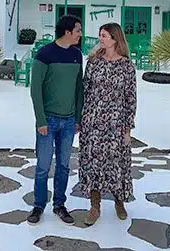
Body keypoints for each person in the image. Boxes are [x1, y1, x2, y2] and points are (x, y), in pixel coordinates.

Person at [26, 14, 84, 225]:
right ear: (67, 32)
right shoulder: (44, 54)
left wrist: (78, 117)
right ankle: (38, 205)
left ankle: (59, 204)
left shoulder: (77, 55)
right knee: (43, 165)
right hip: (47, 121)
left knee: (63, 166)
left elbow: (79, 88)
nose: (80, 34)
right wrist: (40, 120)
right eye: (78, 30)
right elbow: (35, 91)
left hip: (69, 122)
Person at [78, 22, 137, 226]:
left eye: (104, 35)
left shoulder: (127, 66)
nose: (100, 39)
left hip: (116, 123)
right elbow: (84, 91)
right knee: (93, 164)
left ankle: (119, 202)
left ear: (114, 39)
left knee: (117, 165)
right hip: (93, 122)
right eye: (100, 35)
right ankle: (95, 206)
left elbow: (131, 98)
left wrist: (128, 129)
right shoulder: (93, 62)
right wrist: (81, 119)